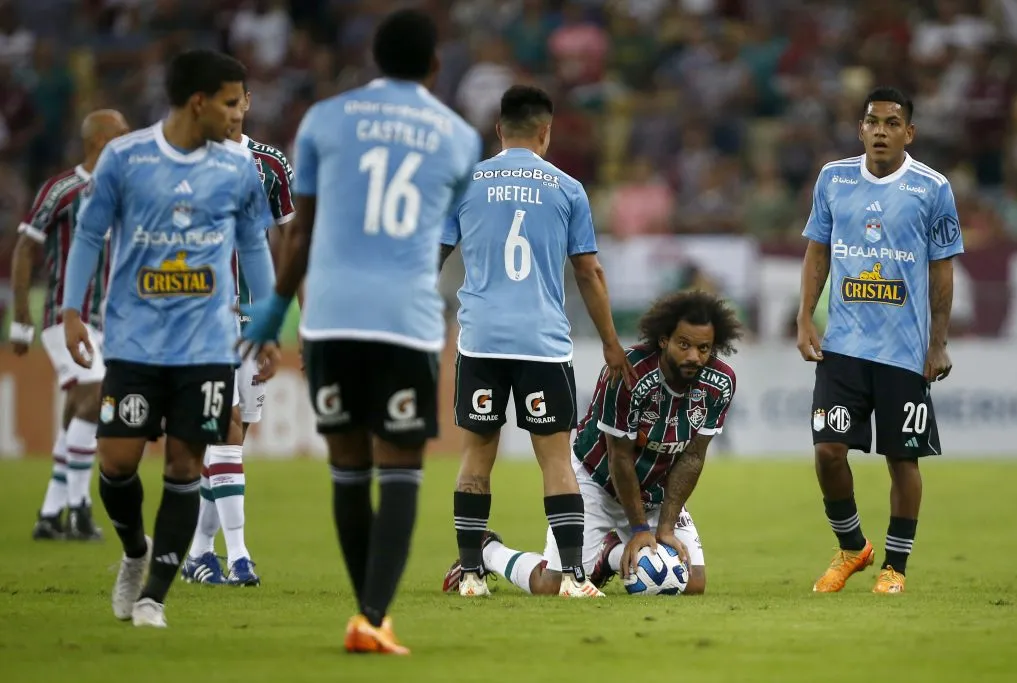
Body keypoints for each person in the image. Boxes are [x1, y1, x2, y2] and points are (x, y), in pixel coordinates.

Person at [239, 9, 480, 654]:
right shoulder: (458, 137)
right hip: (405, 320)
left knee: (347, 466)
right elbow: (436, 224)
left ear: (373, 59)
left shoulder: (324, 119)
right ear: (435, 67)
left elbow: (301, 231)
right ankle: (374, 617)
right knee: (400, 464)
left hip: (330, 316)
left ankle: (366, 614)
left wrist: (271, 311)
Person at [60, 49, 278, 628]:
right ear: (199, 102)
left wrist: (268, 322)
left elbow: (254, 245)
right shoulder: (126, 158)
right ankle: (135, 549)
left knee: (185, 465)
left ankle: (154, 595)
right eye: (231, 102)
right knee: (117, 462)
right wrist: (71, 309)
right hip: (134, 340)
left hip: (207, 344)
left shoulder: (238, 169)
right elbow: (88, 234)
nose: (239, 115)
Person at [437, 84, 632, 599]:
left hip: (480, 340)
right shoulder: (567, 188)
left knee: (476, 457)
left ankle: (473, 575)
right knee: (556, 460)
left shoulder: (468, 182)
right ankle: (573, 576)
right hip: (543, 344)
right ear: (545, 132)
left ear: (499, 130)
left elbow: (431, 255)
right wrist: (612, 343)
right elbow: (588, 273)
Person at [443, 291, 741, 596]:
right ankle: (489, 550)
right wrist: (639, 530)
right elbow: (619, 458)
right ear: (664, 339)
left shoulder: (720, 383)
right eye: (684, 344)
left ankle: (608, 556)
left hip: (655, 491)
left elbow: (692, 457)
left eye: (704, 348)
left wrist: (665, 526)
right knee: (553, 586)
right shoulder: (629, 373)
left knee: (692, 583)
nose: (694, 356)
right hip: (597, 482)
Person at [796, 86, 963, 594]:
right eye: (873, 122)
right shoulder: (833, 178)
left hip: (903, 351)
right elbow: (817, 253)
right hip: (843, 346)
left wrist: (938, 342)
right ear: (861, 128)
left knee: (902, 458)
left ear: (908, 133)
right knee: (827, 451)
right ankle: (852, 548)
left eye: (893, 123)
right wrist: (805, 318)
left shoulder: (933, 189)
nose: (881, 131)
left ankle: (895, 567)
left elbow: (941, 271)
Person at [181, 86, 294, 587]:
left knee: (234, 437)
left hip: (253, 318)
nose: (229, 111)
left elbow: (291, 243)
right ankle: (240, 555)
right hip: (202, 315)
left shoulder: (269, 164)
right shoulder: (184, 161)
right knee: (224, 427)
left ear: (248, 102)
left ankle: (200, 553)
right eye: (218, 102)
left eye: (235, 102)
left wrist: (299, 322)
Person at [9, 109, 129, 541]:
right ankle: (79, 508)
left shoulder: (124, 190)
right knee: (95, 396)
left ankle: (49, 513)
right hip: (64, 315)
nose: (129, 139)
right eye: (121, 133)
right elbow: (25, 248)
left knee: (81, 406)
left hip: (106, 322)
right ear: (99, 139)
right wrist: (20, 317)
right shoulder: (63, 189)